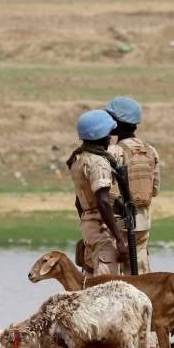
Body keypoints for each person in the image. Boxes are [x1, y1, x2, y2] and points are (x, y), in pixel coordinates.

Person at [66, 109, 128, 276]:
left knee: (92, 279)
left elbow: (79, 202)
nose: (110, 138)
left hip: (89, 225)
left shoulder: (78, 159)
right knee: (106, 284)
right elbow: (103, 202)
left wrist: (88, 224)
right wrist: (120, 240)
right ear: (101, 135)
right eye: (108, 134)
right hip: (102, 229)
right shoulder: (98, 162)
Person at [106, 96, 160, 273]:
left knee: (118, 277)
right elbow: (154, 189)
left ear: (118, 123)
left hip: (120, 223)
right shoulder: (150, 150)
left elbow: (109, 193)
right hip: (143, 220)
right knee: (141, 273)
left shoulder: (114, 151)